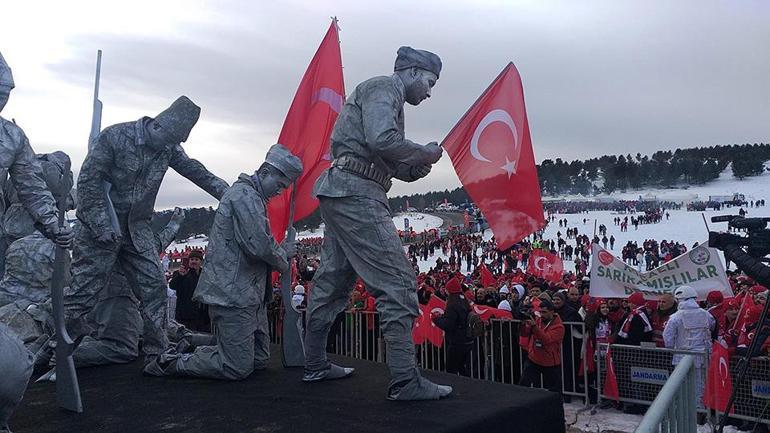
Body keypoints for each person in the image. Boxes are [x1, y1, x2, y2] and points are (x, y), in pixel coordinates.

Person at [302, 46, 449, 401]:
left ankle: (315, 364)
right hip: (358, 194)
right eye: (429, 82)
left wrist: (418, 166)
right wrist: (423, 152)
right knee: (398, 283)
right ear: (412, 72)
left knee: (333, 281)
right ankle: (404, 381)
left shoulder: (386, 97)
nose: (429, 92)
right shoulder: (384, 88)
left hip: (347, 189)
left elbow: (387, 158)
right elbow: (382, 140)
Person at [64, 96, 229, 371]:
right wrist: (100, 223)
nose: (170, 146)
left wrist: (230, 192)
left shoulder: (167, 147)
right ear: (158, 124)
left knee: (154, 288)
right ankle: (51, 349)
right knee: (83, 293)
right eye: (170, 138)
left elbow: (194, 170)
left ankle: (157, 355)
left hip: (136, 230)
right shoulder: (115, 137)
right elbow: (89, 182)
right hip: (100, 229)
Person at [144, 144, 301, 379]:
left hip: (251, 295)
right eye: (279, 185)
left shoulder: (254, 197)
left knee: (259, 360)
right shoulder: (244, 196)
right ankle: (172, 361)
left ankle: (191, 343)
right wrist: (283, 255)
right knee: (236, 367)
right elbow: (257, 243)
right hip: (233, 295)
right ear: (266, 172)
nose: (280, 191)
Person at [663, 285, 715, 419]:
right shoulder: (706, 314)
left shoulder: (675, 317)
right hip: (703, 357)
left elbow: (667, 337)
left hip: (681, 357)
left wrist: (672, 349)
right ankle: (699, 413)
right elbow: (712, 326)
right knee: (700, 386)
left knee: (681, 386)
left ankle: (682, 413)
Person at [519, 298, 565, 397]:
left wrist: (534, 326)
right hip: (534, 358)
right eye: (540, 312)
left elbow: (546, 339)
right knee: (523, 384)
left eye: (544, 312)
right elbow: (525, 334)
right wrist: (523, 324)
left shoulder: (559, 327)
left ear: (552, 312)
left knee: (555, 391)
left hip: (550, 362)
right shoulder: (538, 320)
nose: (542, 315)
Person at [432, 277, 473, 376]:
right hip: (466, 339)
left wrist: (436, 319)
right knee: (460, 366)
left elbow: (448, 324)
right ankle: (467, 386)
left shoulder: (452, 304)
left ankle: (455, 388)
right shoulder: (464, 301)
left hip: (456, 340)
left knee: (451, 368)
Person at [169, 249, 209, 332]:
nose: (193, 261)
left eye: (196, 259)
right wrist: (181, 276)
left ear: (200, 262)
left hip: (202, 316)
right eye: (191, 259)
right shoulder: (180, 273)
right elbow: (172, 285)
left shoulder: (205, 275)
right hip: (185, 316)